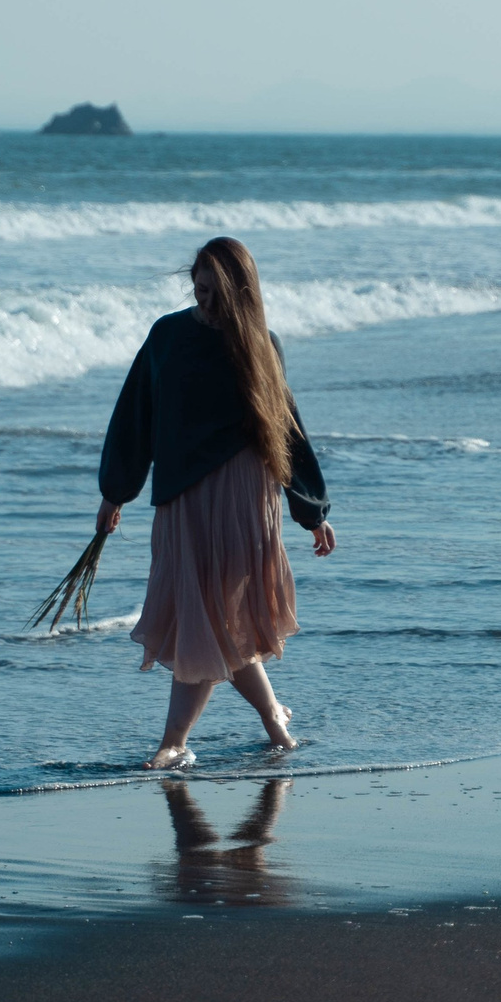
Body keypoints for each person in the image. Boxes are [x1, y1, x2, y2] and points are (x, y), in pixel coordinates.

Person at [96, 236, 336, 769]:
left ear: (239, 293)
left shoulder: (260, 345)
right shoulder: (167, 336)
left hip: (241, 496)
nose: (204, 302)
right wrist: (116, 491)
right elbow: (135, 415)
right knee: (202, 617)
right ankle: (271, 715)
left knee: (211, 619)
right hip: (182, 497)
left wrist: (311, 511)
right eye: (198, 290)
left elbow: (287, 430)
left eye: (215, 294)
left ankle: (176, 741)